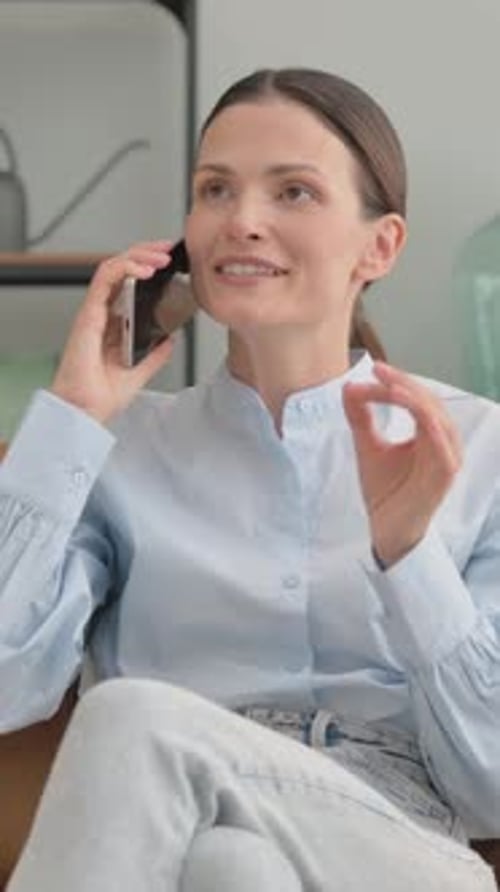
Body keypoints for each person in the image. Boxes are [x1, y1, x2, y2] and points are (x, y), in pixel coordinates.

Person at [1, 67, 498, 892]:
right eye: (215, 190)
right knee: (231, 868)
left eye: (293, 191)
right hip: (182, 832)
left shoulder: (475, 447)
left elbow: (494, 788)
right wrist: (74, 413)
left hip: (402, 847)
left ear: (380, 246)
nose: (242, 222)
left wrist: (409, 557)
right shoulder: (117, 448)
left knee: (131, 712)